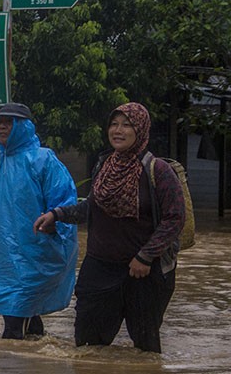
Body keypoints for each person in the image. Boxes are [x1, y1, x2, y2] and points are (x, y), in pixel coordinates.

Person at [33, 102, 185, 353]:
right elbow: (93, 208)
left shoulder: (159, 171)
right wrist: (57, 214)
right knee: (87, 348)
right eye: (114, 124)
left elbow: (174, 219)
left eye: (127, 125)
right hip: (99, 269)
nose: (118, 130)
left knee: (145, 352)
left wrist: (145, 256)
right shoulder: (104, 166)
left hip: (144, 274)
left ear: (141, 130)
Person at [0, 102, 79, 340]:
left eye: (9, 122)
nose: (3, 127)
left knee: (13, 330)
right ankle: (33, 373)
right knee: (27, 323)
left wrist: (57, 235)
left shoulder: (43, 160)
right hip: (2, 262)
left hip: (36, 258)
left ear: (23, 127)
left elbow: (65, 206)